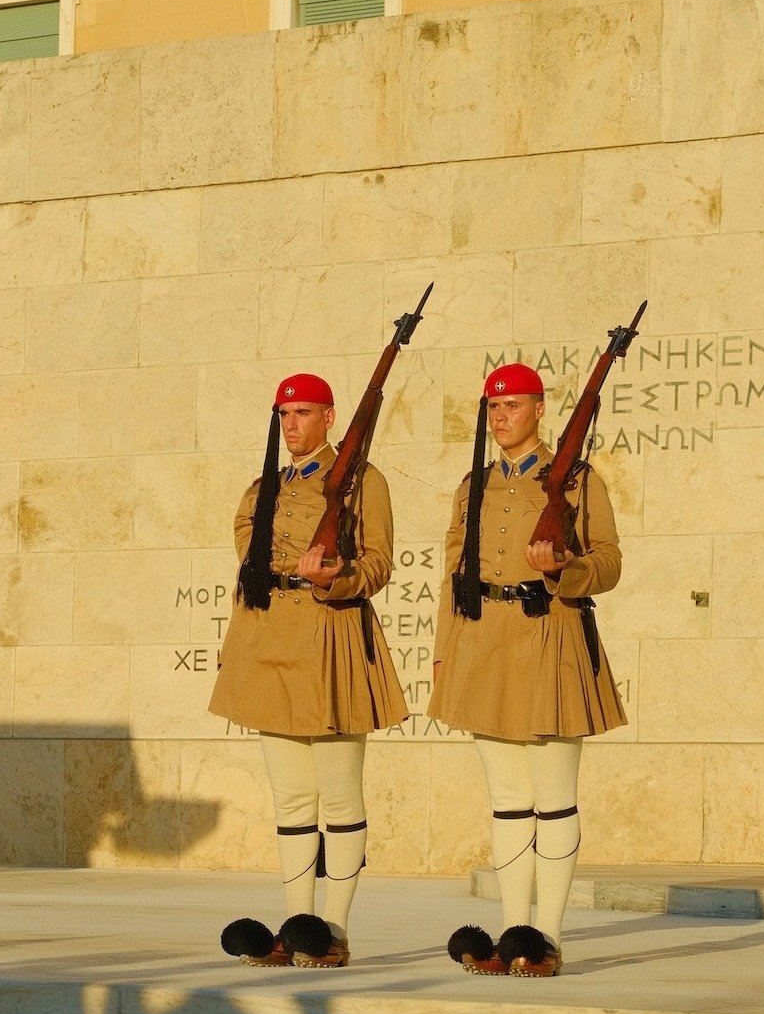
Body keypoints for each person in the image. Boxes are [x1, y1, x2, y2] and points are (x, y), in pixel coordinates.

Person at [428, 363, 626, 977]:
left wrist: (563, 567)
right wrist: (446, 653)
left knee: (555, 799)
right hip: (485, 642)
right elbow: (454, 575)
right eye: (494, 407)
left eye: (513, 405)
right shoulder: (473, 485)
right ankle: (515, 931)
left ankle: (548, 937)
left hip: (549, 637)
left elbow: (609, 563)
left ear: (540, 409)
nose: (501, 417)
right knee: (508, 801)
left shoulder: (577, 480)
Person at [209, 372, 408, 969]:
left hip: (329, 638)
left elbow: (377, 564)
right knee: (292, 801)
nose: (292, 425)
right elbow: (251, 559)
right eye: (285, 415)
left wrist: (335, 577)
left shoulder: (361, 481)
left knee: (341, 795)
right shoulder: (259, 488)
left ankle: (334, 930)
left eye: (303, 414)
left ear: (330, 417)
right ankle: (298, 925)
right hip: (270, 642)